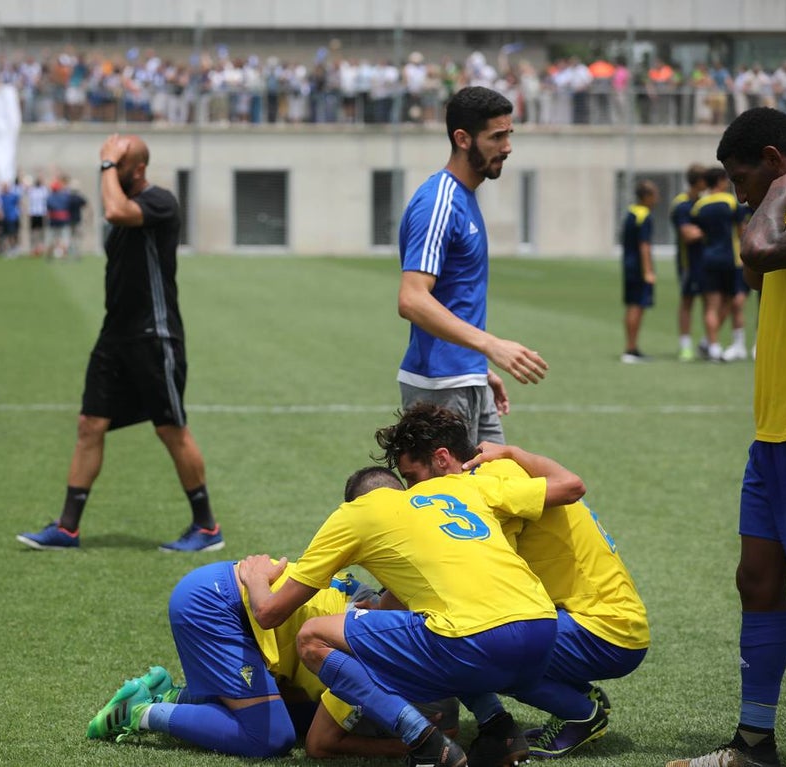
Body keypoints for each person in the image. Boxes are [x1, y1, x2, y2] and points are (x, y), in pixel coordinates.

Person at [238, 405, 587, 766]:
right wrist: (514, 452)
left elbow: (269, 613)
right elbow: (572, 485)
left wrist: (256, 578)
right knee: (444, 621)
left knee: (313, 636)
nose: (410, 489)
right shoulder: (467, 488)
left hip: (477, 642)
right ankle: (500, 730)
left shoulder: (359, 513)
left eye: (412, 476)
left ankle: (424, 743)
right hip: (543, 632)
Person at [86, 467, 459, 759]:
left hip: (226, 596)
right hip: (216, 603)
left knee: (302, 715)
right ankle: (140, 713)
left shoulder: (378, 598)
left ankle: (174, 696)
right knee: (270, 737)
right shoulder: (377, 652)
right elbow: (321, 747)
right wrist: (415, 743)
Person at [387, 405, 650, 759]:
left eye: (412, 477)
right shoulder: (500, 468)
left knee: (481, 643)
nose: (411, 490)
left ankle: (580, 714)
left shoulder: (485, 485)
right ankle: (577, 696)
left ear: (443, 458)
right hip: (610, 621)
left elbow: (469, 579)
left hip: (605, 631)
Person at [17, 134, 222, 553]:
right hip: (115, 337)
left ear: (138, 170)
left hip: (155, 335)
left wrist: (108, 164)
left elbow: (114, 208)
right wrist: (111, 165)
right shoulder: (126, 202)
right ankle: (67, 528)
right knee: (89, 424)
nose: (106, 171)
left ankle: (206, 527)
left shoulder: (160, 201)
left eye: (115, 165)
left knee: (170, 428)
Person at [666, 106, 786, 767]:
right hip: (771, 433)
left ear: (774, 160)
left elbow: (757, 251)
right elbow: (752, 270)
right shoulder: (774, 210)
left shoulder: (779, 209)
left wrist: (780, 188)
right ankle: (754, 744)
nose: (738, 194)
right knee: (758, 580)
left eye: (744, 178)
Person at [396, 85, 547, 446]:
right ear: (463, 139)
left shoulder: (464, 197)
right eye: (496, 137)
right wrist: (490, 345)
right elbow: (412, 300)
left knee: (497, 496)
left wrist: (478, 366)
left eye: (509, 134)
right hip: (440, 389)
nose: (507, 147)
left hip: (465, 377)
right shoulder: (440, 202)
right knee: (450, 503)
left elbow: (455, 298)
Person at [691, 166, 751, 362]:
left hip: (709, 259)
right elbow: (742, 230)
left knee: (711, 306)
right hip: (730, 260)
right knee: (731, 303)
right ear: (720, 182)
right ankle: (719, 343)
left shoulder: (700, 206)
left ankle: (713, 347)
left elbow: (698, 232)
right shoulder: (731, 203)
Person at [670, 164, 708, 361]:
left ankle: (707, 342)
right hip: (688, 263)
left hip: (706, 262)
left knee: (710, 301)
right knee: (687, 302)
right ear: (698, 181)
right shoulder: (682, 204)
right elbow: (688, 234)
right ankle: (685, 345)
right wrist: (711, 232)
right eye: (705, 179)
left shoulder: (704, 202)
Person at [620, 179, 659, 363]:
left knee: (631, 306)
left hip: (628, 265)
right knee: (637, 306)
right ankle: (631, 349)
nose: (657, 199)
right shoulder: (644, 216)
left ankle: (631, 347)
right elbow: (644, 246)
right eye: (654, 195)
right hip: (638, 268)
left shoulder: (630, 213)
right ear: (646, 196)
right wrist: (648, 271)